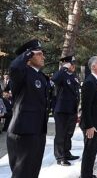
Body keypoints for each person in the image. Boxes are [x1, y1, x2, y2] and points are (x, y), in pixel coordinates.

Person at [7, 39, 50, 178]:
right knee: (22, 172)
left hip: (38, 130)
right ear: (29, 56)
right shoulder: (21, 72)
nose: (43, 57)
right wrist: (26, 54)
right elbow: (14, 67)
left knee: (33, 170)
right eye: (39, 53)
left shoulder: (41, 76)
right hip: (23, 131)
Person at [80, 56, 97, 178]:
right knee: (89, 151)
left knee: (93, 151)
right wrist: (89, 126)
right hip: (92, 125)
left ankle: (88, 174)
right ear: (93, 66)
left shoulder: (96, 81)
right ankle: (86, 175)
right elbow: (85, 107)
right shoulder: (90, 82)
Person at [52, 55, 80, 166]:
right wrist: (63, 68)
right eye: (71, 64)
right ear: (66, 64)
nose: (73, 66)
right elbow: (54, 79)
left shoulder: (73, 76)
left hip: (72, 109)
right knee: (61, 134)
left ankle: (67, 153)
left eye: (73, 64)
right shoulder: (61, 75)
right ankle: (60, 157)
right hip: (62, 110)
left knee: (69, 133)